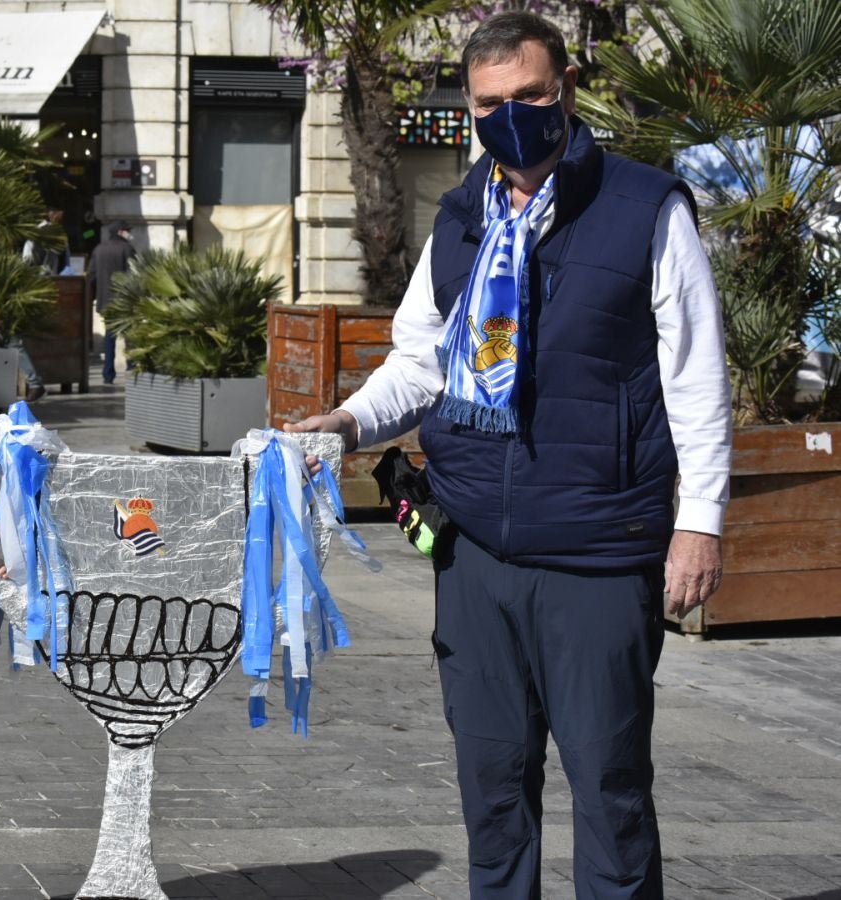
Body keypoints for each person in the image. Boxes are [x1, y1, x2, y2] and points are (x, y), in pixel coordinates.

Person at [286, 12, 731, 899]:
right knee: (492, 797)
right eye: (490, 103)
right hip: (475, 552)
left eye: (529, 95)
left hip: (598, 555)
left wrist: (699, 524)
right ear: (470, 108)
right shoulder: (458, 219)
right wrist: (344, 422)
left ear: (565, 89)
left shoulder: (647, 208)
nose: (511, 115)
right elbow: (420, 362)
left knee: (610, 795)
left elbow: (696, 377)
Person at [86, 220, 135, 384]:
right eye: (127, 230)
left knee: (109, 337)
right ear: (121, 232)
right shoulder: (126, 248)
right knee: (129, 335)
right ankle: (132, 368)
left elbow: (91, 275)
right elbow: (133, 273)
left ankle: (108, 373)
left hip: (105, 300)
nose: (129, 233)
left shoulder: (99, 249)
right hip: (123, 300)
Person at [22, 207, 71, 275]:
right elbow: (27, 260)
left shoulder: (61, 236)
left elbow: (66, 262)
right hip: (42, 278)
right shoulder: (34, 235)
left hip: (50, 277)